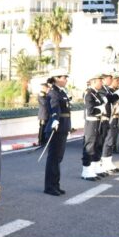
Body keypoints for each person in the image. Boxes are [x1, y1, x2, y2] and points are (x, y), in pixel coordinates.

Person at [43, 68, 71, 196]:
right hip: (56, 128)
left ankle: (56, 185)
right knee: (53, 159)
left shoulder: (61, 92)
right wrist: (55, 119)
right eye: (63, 77)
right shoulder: (53, 92)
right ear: (56, 78)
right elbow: (54, 107)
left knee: (58, 158)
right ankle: (49, 187)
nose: (65, 80)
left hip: (63, 127)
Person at [81, 73, 105, 181]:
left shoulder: (96, 94)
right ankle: (86, 171)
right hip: (91, 123)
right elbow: (90, 110)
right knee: (89, 146)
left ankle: (93, 169)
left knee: (97, 145)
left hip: (98, 122)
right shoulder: (89, 94)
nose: (101, 83)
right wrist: (101, 109)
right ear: (93, 81)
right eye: (100, 81)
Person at [36, 80, 51, 146]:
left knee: (46, 128)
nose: (47, 89)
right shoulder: (41, 95)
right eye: (46, 88)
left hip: (47, 114)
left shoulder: (47, 95)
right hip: (43, 114)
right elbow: (44, 103)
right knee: (42, 128)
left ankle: (45, 140)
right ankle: (41, 141)